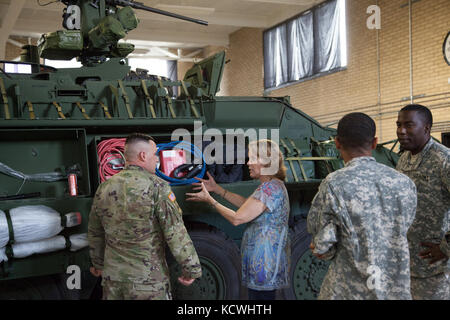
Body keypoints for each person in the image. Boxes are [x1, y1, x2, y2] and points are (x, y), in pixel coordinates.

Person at [307, 112, 417, 300]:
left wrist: (319, 248)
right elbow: (407, 225)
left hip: (348, 290)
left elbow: (322, 243)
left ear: (337, 143)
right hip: (394, 288)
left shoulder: (334, 184)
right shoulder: (404, 182)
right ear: (374, 143)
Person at [88, 133, 202, 300]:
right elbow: (175, 231)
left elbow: (95, 231)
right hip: (147, 283)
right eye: (154, 154)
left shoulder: (105, 187)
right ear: (143, 155)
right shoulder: (157, 186)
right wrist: (191, 268)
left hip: (113, 281)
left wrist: (97, 264)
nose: (157, 159)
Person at [186, 139, 290, 300]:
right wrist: (218, 190)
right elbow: (247, 206)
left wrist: (210, 200)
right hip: (266, 263)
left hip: (263, 264)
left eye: (252, 158)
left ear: (265, 161)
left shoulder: (269, 188)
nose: (248, 163)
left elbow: (238, 218)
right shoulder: (272, 186)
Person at [396, 104, 450, 300]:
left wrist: (446, 247)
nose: (401, 131)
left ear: (426, 128)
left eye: (409, 125)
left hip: (436, 269)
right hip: (409, 265)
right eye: (399, 125)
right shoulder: (403, 159)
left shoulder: (444, 160)